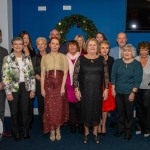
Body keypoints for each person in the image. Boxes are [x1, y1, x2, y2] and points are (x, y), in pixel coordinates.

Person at [73, 38, 109, 144]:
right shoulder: (80, 59)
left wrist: (106, 89)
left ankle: (95, 133)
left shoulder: (102, 59)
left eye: (94, 45)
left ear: (97, 47)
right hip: (85, 91)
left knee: (96, 111)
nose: (92, 47)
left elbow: (106, 76)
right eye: (90, 45)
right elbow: (75, 76)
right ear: (86, 47)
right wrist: (76, 89)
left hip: (97, 91)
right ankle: (86, 133)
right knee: (86, 112)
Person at [2, 37, 35, 141]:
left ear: (23, 46)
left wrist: (33, 89)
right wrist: (8, 92)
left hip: (25, 87)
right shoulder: (7, 58)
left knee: (25, 111)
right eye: (15, 44)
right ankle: (16, 132)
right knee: (14, 111)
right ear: (12, 45)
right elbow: (5, 77)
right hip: (13, 88)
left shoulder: (27, 58)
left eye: (20, 44)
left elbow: (32, 75)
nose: (17, 46)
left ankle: (25, 131)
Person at [111, 44, 143, 140]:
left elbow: (138, 80)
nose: (127, 53)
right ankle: (121, 129)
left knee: (129, 113)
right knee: (120, 112)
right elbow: (113, 76)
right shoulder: (117, 62)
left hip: (130, 92)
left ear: (132, 52)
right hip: (118, 91)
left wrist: (133, 93)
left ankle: (128, 131)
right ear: (122, 52)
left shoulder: (137, 64)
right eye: (125, 51)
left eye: (129, 51)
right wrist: (113, 89)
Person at [41, 37, 69, 141]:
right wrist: (42, 89)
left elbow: (65, 73)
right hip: (48, 87)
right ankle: (52, 130)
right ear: (49, 45)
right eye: (53, 43)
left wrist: (62, 87)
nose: (55, 45)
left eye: (57, 44)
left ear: (59, 46)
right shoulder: (45, 57)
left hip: (59, 87)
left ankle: (58, 129)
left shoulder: (63, 57)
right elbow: (43, 74)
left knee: (59, 108)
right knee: (50, 109)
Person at [108, 32, 128, 128]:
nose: (121, 40)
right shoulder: (111, 51)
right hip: (114, 80)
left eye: (123, 38)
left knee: (124, 102)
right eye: (119, 38)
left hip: (127, 82)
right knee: (114, 100)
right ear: (116, 40)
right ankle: (113, 119)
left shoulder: (131, 50)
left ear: (126, 40)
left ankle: (124, 120)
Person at [18, 31, 36, 129]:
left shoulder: (32, 50)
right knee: (21, 103)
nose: (26, 40)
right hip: (20, 81)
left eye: (27, 38)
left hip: (31, 80)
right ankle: (22, 122)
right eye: (24, 38)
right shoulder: (15, 50)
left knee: (30, 102)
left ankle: (29, 122)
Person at [98, 40, 115, 136]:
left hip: (108, 86)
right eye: (103, 48)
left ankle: (103, 124)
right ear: (100, 49)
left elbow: (113, 75)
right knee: (98, 106)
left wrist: (111, 87)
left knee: (105, 107)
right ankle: (99, 124)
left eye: (107, 48)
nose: (105, 50)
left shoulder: (112, 59)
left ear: (109, 49)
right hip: (97, 85)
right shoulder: (96, 58)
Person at [66, 40, 81, 134]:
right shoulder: (64, 57)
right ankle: (72, 125)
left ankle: (80, 124)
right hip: (68, 85)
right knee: (71, 106)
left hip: (79, 84)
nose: (72, 48)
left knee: (79, 106)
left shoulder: (82, 57)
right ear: (68, 47)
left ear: (77, 47)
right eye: (70, 46)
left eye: (74, 46)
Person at [32, 37, 48, 131]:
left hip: (51, 85)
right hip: (39, 84)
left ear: (46, 45)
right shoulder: (34, 58)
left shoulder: (51, 56)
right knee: (42, 105)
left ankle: (51, 123)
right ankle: (43, 124)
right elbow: (33, 72)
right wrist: (42, 79)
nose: (41, 45)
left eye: (43, 44)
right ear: (37, 46)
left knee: (50, 104)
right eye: (39, 44)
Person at [135, 41, 150, 137]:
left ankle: (147, 129)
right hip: (136, 88)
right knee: (138, 108)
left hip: (148, 88)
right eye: (142, 50)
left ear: (148, 51)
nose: (144, 52)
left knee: (147, 109)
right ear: (139, 50)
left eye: (146, 50)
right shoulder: (135, 59)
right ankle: (138, 127)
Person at [0, 29, 11, 139]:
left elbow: (7, 70)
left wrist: (3, 82)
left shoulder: (4, 51)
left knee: (1, 110)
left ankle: (1, 131)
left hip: (1, 86)